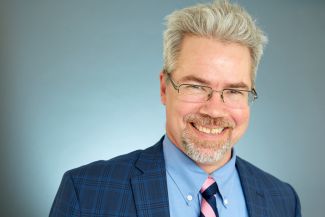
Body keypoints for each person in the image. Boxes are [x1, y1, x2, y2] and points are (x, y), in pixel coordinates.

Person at [50, 1, 301, 216]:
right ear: (164, 88)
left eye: (234, 91)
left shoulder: (283, 201)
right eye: (195, 86)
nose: (214, 110)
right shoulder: (87, 192)